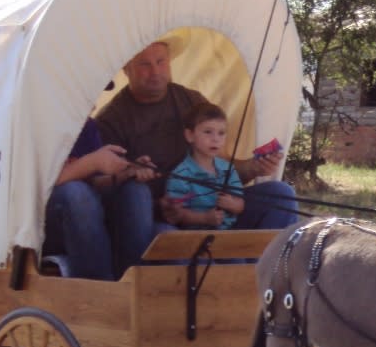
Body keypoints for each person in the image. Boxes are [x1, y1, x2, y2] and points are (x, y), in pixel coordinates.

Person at [94, 37, 298, 231]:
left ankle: (261, 266)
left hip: (214, 209)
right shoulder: (111, 119)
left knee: (281, 195)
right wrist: (132, 174)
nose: (155, 71)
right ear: (126, 68)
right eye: (144, 64)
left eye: (161, 61)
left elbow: (222, 164)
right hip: (159, 218)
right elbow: (105, 189)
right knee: (168, 239)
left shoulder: (191, 100)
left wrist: (254, 168)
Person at [43, 117, 156, 279]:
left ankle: (133, 284)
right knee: (77, 193)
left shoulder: (87, 126)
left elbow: (93, 183)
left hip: (82, 218)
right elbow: (35, 184)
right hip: (39, 224)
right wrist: (91, 162)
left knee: (136, 191)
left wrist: (125, 173)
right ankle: (98, 290)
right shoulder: (35, 119)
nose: (94, 101)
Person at [165, 102, 245, 229]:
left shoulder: (228, 169)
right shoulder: (180, 174)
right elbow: (177, 214)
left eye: (221, 133)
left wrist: (232, 205)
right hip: (197, 237)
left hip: (231, 233)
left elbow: (240, 203)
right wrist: (204, 218)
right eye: (208, 132)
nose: (215, 139)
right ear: (190, 135)